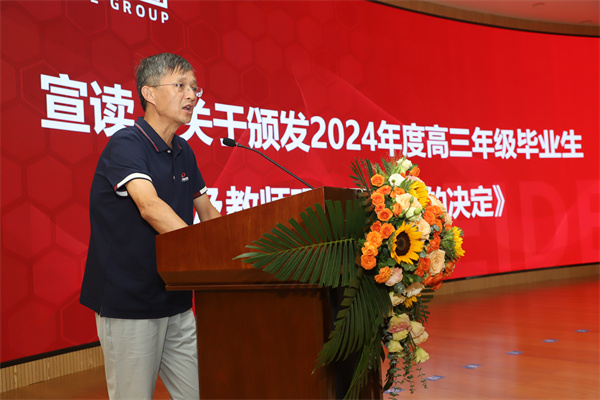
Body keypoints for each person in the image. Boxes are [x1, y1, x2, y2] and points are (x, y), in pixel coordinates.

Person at [80, 53, 221, 399]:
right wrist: (202, 249)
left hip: (176, 300)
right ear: (149, 93)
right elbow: (149, 206)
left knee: (199, 393)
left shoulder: (184, 150)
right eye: (180, 85)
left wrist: (239, 250)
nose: (192, 95)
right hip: (129, 304)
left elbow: (207, 211)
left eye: (195, 88)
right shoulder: (127, 144)